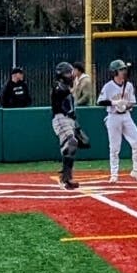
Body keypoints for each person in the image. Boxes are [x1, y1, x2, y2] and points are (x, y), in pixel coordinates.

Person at [97, 59, 137, 183]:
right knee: (114, 147)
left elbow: (132, 102)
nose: (124, 71)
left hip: (126, 116)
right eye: (121, 69)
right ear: (115, 72)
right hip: (113, 117)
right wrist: (114, 103)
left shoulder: (128, 85)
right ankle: (114, 174)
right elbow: (100, 101)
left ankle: (136, 170)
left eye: (124, 69)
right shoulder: (108, 86)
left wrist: (126, 106)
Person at [50, 62, 81, 190]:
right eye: (68, 73)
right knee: (71, 143)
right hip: (60, 119)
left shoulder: (67, 86)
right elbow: (60, 93)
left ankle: (66, 177)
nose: (71, 75)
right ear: (60, 75)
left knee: (71, 146)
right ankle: (66, 177)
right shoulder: (58, 86)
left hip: (69, 120)